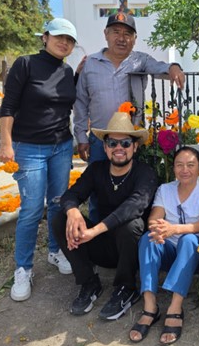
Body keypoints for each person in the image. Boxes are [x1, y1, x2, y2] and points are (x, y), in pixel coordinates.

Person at [73, 12, 185, 222]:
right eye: (116, 32)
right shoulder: (90, 64)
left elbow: (161, 68)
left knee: (131, 189)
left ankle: (128, 232)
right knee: (98, 191)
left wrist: (174, 67)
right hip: (99, 140)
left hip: (129, 140)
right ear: (106, 34)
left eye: (127, 34)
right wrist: (81, 137)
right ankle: (98, 235)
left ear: (134, 39)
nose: (121, 38)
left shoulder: (139, 61)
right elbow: (80, 102)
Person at [0, 18, 78, 302]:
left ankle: (55, 251)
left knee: (58, 204)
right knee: (32, 209)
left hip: (61, 146)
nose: (64, 42)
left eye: (70, 39)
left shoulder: (68, 72)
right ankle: (23, 268)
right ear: (45, 37)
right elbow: (8, 106)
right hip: (29, 147)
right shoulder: (26, 64)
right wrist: (5, 143)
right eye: (59, 36)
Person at [52, 111, 157, 320]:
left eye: (126, 143)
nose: (119, 148)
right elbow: (72, 194)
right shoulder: (97, 170)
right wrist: (73, 212)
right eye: (113, 143)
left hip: (131, 250)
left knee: (132, 224)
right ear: (105, 147)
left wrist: (94, 231)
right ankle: (89, 282)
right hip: (101, 246)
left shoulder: (145, 172)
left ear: (135, 147)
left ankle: (126, 288)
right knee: (60, 218)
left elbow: (135, 205)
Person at [130, 147, 199, 345]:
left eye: (190, 165)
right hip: (168, 249)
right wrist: (159, 229)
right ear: (174, 168)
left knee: (189, 239)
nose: (184, 169)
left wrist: (175, 229)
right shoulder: (165, 189)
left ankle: (175, 307)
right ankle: (150, 306)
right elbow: (154, 218)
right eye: (179, 165)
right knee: (148, 237)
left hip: (194, 255)